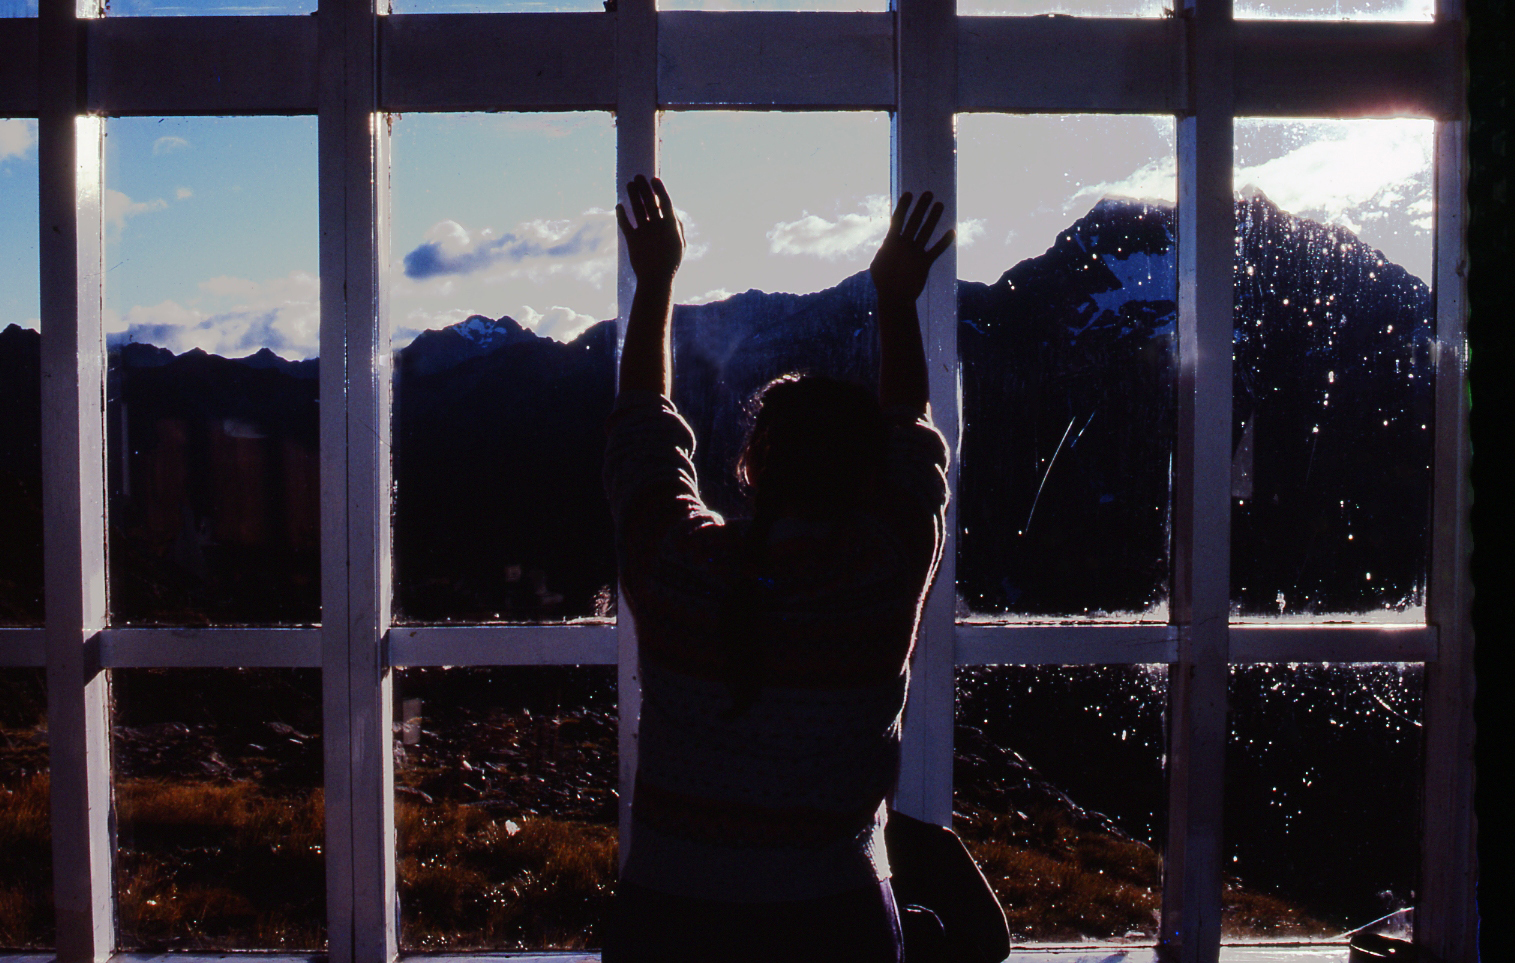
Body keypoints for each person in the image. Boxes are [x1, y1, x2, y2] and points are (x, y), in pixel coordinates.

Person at [602, 175, 954, 963]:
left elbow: (639, 434)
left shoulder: (678, 564)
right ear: (864, 477)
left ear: (751, 466)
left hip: (666, 919)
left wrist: (654, 280)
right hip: (831, 921)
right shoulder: (879, 572)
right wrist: (894, 299)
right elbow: (912, 439)